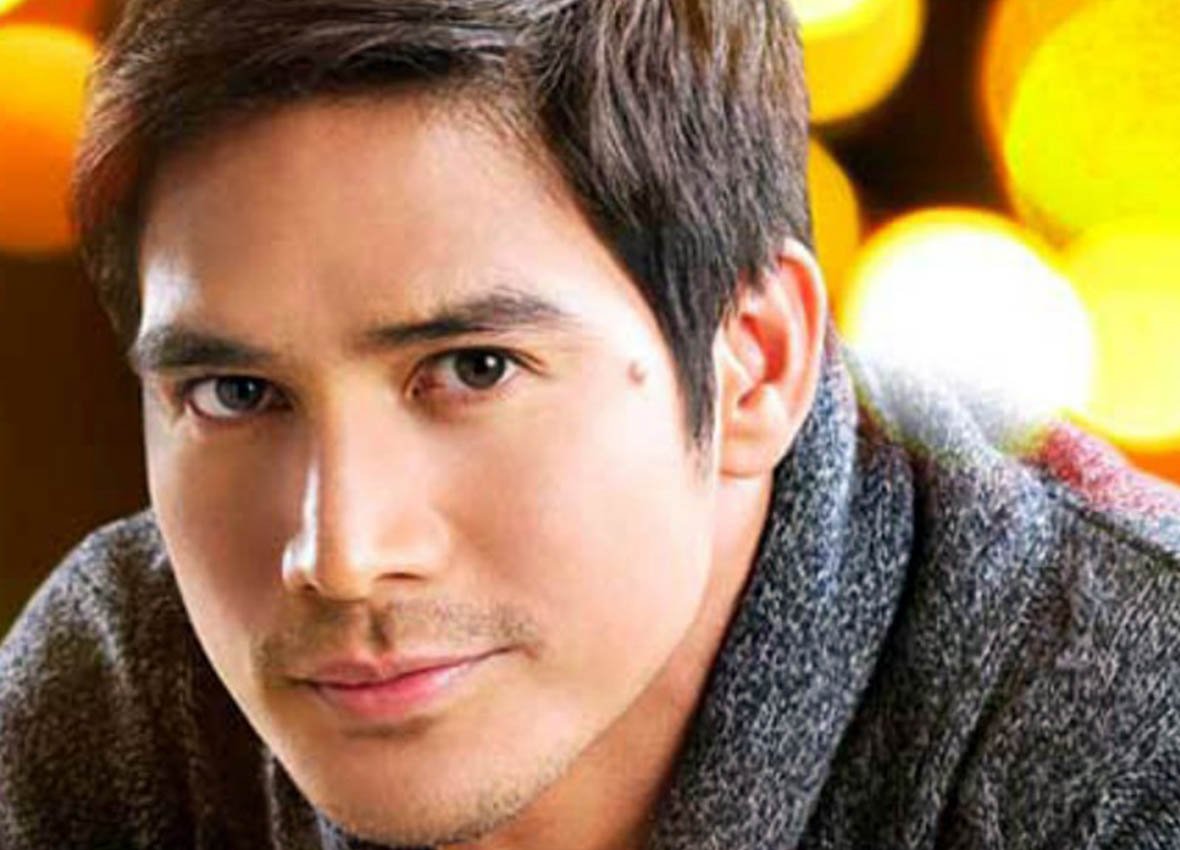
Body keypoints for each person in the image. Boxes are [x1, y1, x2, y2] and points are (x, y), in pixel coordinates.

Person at [3, 0, 1180, 847]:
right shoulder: (118, 709)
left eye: (471, 368)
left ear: (754, 363)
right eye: (235, 392)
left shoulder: (1131, 741)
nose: (340, 552)